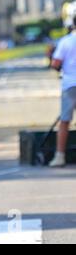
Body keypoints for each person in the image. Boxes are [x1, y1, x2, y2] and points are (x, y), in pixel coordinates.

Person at [49, 13, 76, 167]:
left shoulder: (66, 41)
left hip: (70, 84)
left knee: (65, 121)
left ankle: (60, 156)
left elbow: (56, 62)